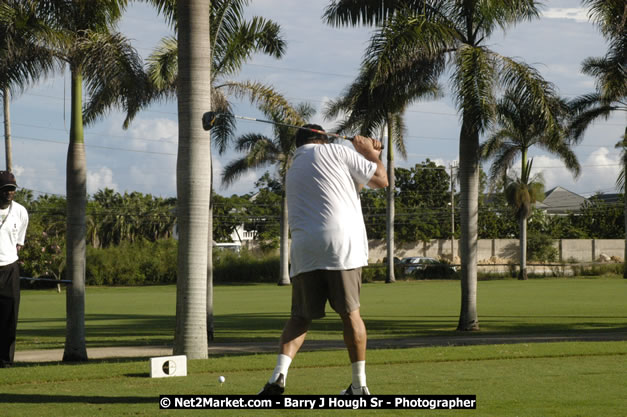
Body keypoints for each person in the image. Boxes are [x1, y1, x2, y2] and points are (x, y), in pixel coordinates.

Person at [258, 125, 388, 395]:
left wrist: (366, 156)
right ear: (324, 139)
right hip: (342, 245)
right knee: (350, 314)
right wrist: (370, 154)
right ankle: (359, 385)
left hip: (305, 247)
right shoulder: (338, 151)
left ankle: (277, 378)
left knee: (300, 317)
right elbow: (381, 180)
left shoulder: (294, 169)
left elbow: (351, 191)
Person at [0, 171, 29, 368]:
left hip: (10, 268)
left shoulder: (20, 212)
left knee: (9, 319)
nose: (9, 193)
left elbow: (19, 243)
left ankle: (5, 361)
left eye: (12, 189)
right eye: (5, 189)